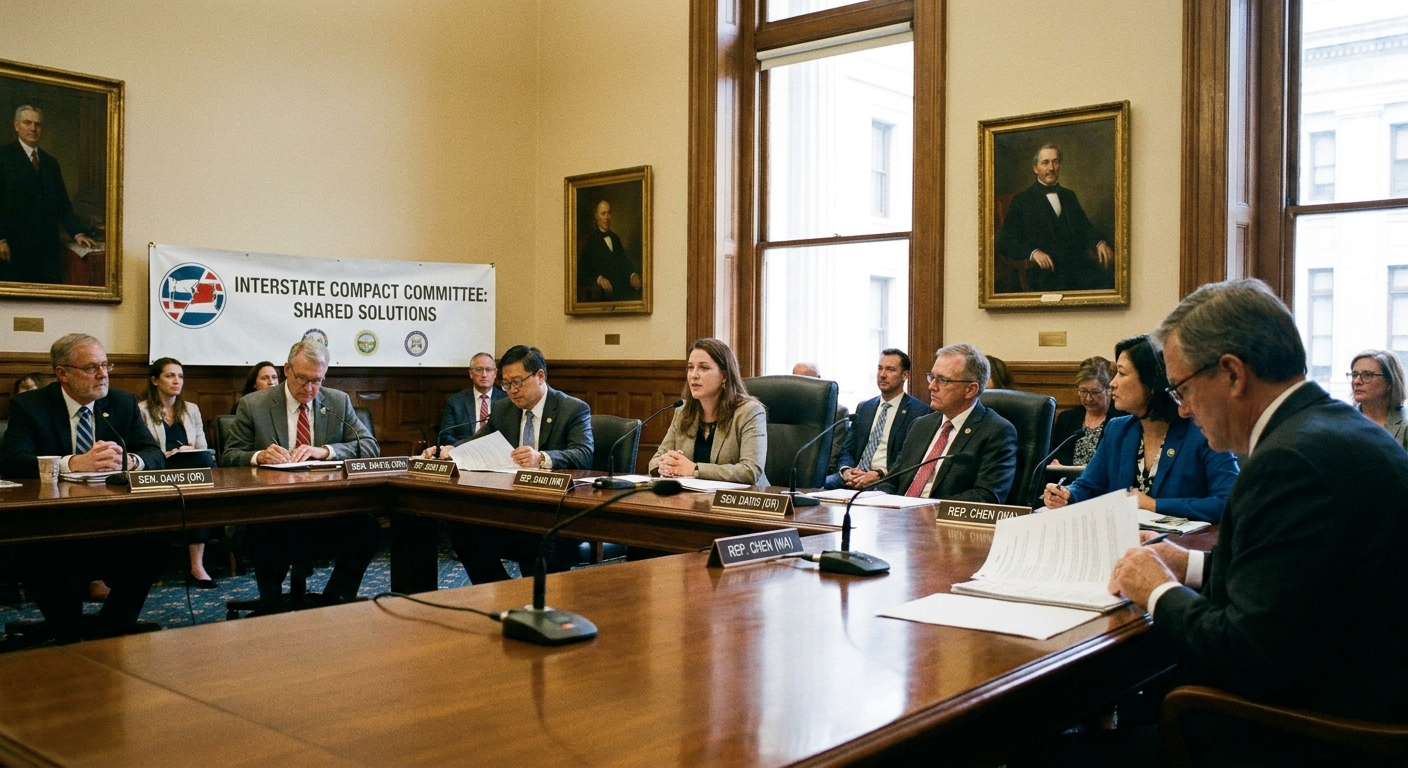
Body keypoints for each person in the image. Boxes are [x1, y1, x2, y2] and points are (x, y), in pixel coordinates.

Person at [1108, 279, 1408, 765]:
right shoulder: (1335, 428)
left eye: (1182, 388)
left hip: (1318, 732)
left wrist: (1157, 589)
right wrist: (1192, 566)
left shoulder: (1287, 461)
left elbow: (1246, 654)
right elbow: (1304, 577)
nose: (1182, 408)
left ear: (1231, 373)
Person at [0, 334, 165, 643]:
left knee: (154, 539)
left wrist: (129, 461)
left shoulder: (122, 402)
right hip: (53, 525)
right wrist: (74, 463)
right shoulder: (30, 405)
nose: (103, 374)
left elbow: (153, 453)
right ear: (63, 373)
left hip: (113, 521)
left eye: (105, 365)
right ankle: (68, 633)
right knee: (42, 557)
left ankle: (112, 627)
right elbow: (12, 461)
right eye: (91, 367)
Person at [220, 339, 379, 609]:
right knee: (267, 534)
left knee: (367, 529)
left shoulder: (337, 402)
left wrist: (326, 451)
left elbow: (369, 446)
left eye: (317, 380)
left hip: (324, 510)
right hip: (271, 511)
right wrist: (259, 456)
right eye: (303, 379)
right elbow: (229, 456)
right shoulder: (254, 405)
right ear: (286, 370)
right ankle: (272, 607)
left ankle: (334, 599)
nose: (310, 388)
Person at [428, 345, 594, 583]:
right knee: (464, 530)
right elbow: (480, 440)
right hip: (514, 506)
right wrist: (451, 451)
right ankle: (502, 593)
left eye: (518, 382)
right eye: (506, 384)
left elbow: (583, 452)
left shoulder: (572, 409)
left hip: (556, 512)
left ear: (540, 376)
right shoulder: (504, 408)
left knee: (537, 540)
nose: (512, 391)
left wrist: (542, 458)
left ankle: (538, 607)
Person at [1042, 337, 1238, 522]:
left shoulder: (1202, 431)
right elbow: (1089, 485)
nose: (1112, 383)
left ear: (1152, 383)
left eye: (1122, 373)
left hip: (1179, 548)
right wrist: (1067, 494)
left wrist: (1155, 505)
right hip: (1123, 543)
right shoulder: (1118, 429)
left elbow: (1227, 502)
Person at [879, 344, 1018, 503]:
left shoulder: (997, 432)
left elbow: (986, 496)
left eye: (943, 380)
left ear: (970, 390)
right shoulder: (921, 425)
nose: (931, 386)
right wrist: (881, 501)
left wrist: (924, 509)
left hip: (941, 522)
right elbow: (893, 480)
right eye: (932, 377)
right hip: (898, 518)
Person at [138, 357, 218, 589]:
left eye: (180, 376)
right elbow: (143, 450)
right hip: (159, 470)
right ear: (155, 380)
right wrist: (169, 453)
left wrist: (188, 450)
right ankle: (154, 564)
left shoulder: (191, 409)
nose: (177, 381)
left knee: (202, 474)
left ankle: (197, 566)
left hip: (191, 469)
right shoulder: (141, 410)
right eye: (170, 375)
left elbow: (204, 448)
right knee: (201, 478)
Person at [0, 105, 100, 284]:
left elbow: (62, 203)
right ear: (16, 126)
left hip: (47, 248)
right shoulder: (3, 157)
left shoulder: (50, 162)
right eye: (27, 123)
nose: (33, 128)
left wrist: (77, 233)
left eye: (37, 124)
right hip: (14, 246)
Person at [996, 143, 1113, 293]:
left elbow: (1085, 227)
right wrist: (1033, 252)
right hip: (1043, 274)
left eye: (1055, 161)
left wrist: (1099, 242)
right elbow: (1006, 241)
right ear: (1035, 168)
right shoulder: (1022, 201)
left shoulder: (1069, 196)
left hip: (1077, 268)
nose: (1051, 168)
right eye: (1045, 162)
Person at [651, 339, 768, 485]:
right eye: (690, 368)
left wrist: (694, 469)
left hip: (742, 502)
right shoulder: (683, 411)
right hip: (692, 500)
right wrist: (665, 465)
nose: (694, 375)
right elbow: (655, 461)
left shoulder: (749, 412)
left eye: (703, 368)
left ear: (724, 376)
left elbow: (750, 471)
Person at [825, 349, 930, 490]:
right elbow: (847, 449)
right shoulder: (864, 407)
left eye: (890, 370)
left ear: (905, 375)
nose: (882, 375)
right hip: (855, 474)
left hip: (885, 479)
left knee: (878, 494)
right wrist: (846, 470)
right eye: (880, 368)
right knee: (819, 485)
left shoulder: (919, 411)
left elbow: (909, 458)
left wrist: (878, 474)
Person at [1048, 356, 1124, 466]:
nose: (1088, 398)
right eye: (1083, 391)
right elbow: (1054, 456)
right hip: (1067, 482)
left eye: (1095, 392)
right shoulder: (1066, 419)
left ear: (1109, 390)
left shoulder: (1121, 420)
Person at [791, 361, 848, 476]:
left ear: (819, 379)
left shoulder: (838, 412)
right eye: (797, 380)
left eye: (806, 380)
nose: (801, 386)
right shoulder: (786, 410)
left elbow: (831, 459)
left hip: (822, 474)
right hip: (789, 470)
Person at [577, 200, 641, 302]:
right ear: (596, 216)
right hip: (604, 293)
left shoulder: (615, 238)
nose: (606, 217)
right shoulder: (591, 241)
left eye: (609, 213)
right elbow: (582, 272)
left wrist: (632, 275)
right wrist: (599, 279)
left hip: (621, 288)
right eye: (603, 213)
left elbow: (624, 262)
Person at [439, 352, 507, 443]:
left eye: (488, 370)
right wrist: (463, 448)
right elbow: (445, 435)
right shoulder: (455, 401)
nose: (484, 375)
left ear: (495, 373)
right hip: (464, 453)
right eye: (479, 370)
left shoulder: (506, 400)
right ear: (471, 373)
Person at [1348, 349, 1408, 452]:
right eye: (1354, 375)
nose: (1357, 381)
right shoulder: (1343, 422)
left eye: (1367, 375)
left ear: (1390, 382)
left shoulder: (1405, 426)